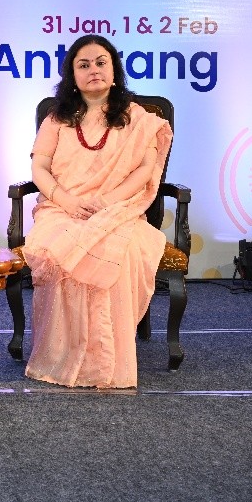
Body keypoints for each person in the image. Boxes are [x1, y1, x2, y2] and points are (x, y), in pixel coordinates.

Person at [21, 34, 172, 389]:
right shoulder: (57, 119)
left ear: (114, 71)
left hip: (118, 209)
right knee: (60, 247)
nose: (93, 70)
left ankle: (108, 360)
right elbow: (39, 168)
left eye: (101, 63)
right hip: (61, 209)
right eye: (84, 64)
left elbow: (144, 170)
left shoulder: (138, 119)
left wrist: (106, 203)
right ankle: (63, 354)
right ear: (72, 75)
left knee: (125, 249)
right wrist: (67, 201)